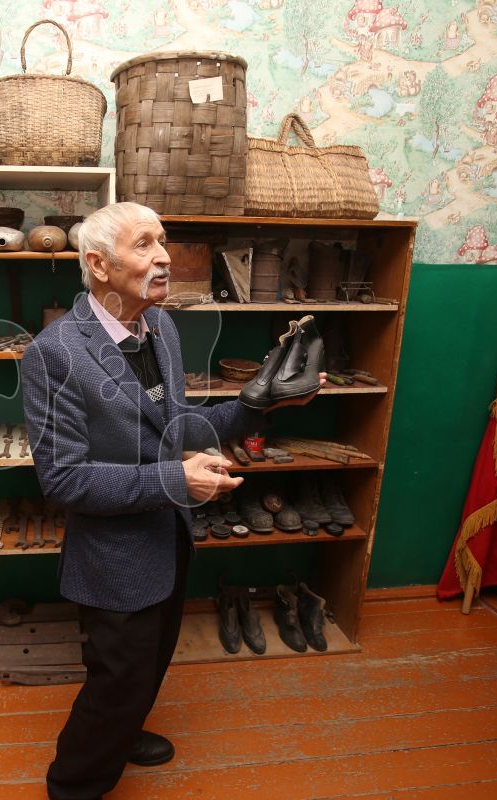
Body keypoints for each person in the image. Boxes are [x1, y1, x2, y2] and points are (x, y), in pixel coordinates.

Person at [21, 202, 323, 799]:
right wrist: (175, 483)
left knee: (150, 664)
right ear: (98, 265)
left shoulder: (159, 328)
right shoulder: (55, 354)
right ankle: (74, 784)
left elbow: (175, 426)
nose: (164, 257)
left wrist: (259, 402)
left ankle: (123, 732)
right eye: (144, 244)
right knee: (116, 681)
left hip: (168, 538)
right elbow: (64, 480)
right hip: (114, 559)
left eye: (162, 240)